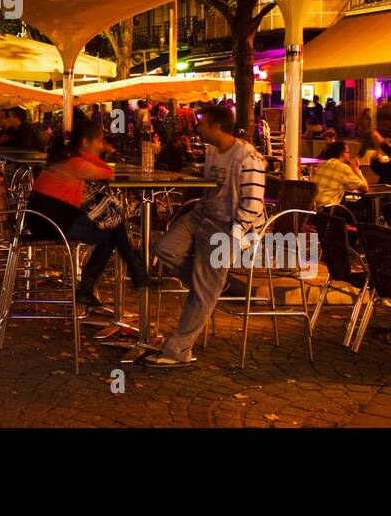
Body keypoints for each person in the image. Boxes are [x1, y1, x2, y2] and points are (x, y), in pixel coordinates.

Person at [146, 104, 266, 367]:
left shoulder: (248, 158)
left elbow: (253, 204)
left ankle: (178, 350)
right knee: (164, 248)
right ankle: (211, 286)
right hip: (202, 216)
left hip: (226, 226)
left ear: (215, 126)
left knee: (202, 291)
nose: (197, 128)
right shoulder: (212, 151)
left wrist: (234, 238)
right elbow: (212, 189)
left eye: (202, 124)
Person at [24, 114, 158, 307]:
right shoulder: (77, 163)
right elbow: (108, 172)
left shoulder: (66, 157)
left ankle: (132, 274)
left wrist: (86, 152)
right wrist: (93, 154)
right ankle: (132, 274)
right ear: (85, 142)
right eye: (99, 141)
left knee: (113, 225)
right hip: (52, 223)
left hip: (44, 218)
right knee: (111, 233)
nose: (101, 145)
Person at [311, 140, 369, 208]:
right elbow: (365, 188)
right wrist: (357, 170)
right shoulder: (343, 168)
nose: (349, 154)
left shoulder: (321, 164)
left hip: (313, 206)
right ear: (342, 154)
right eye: (348, 152)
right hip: (327, 209)